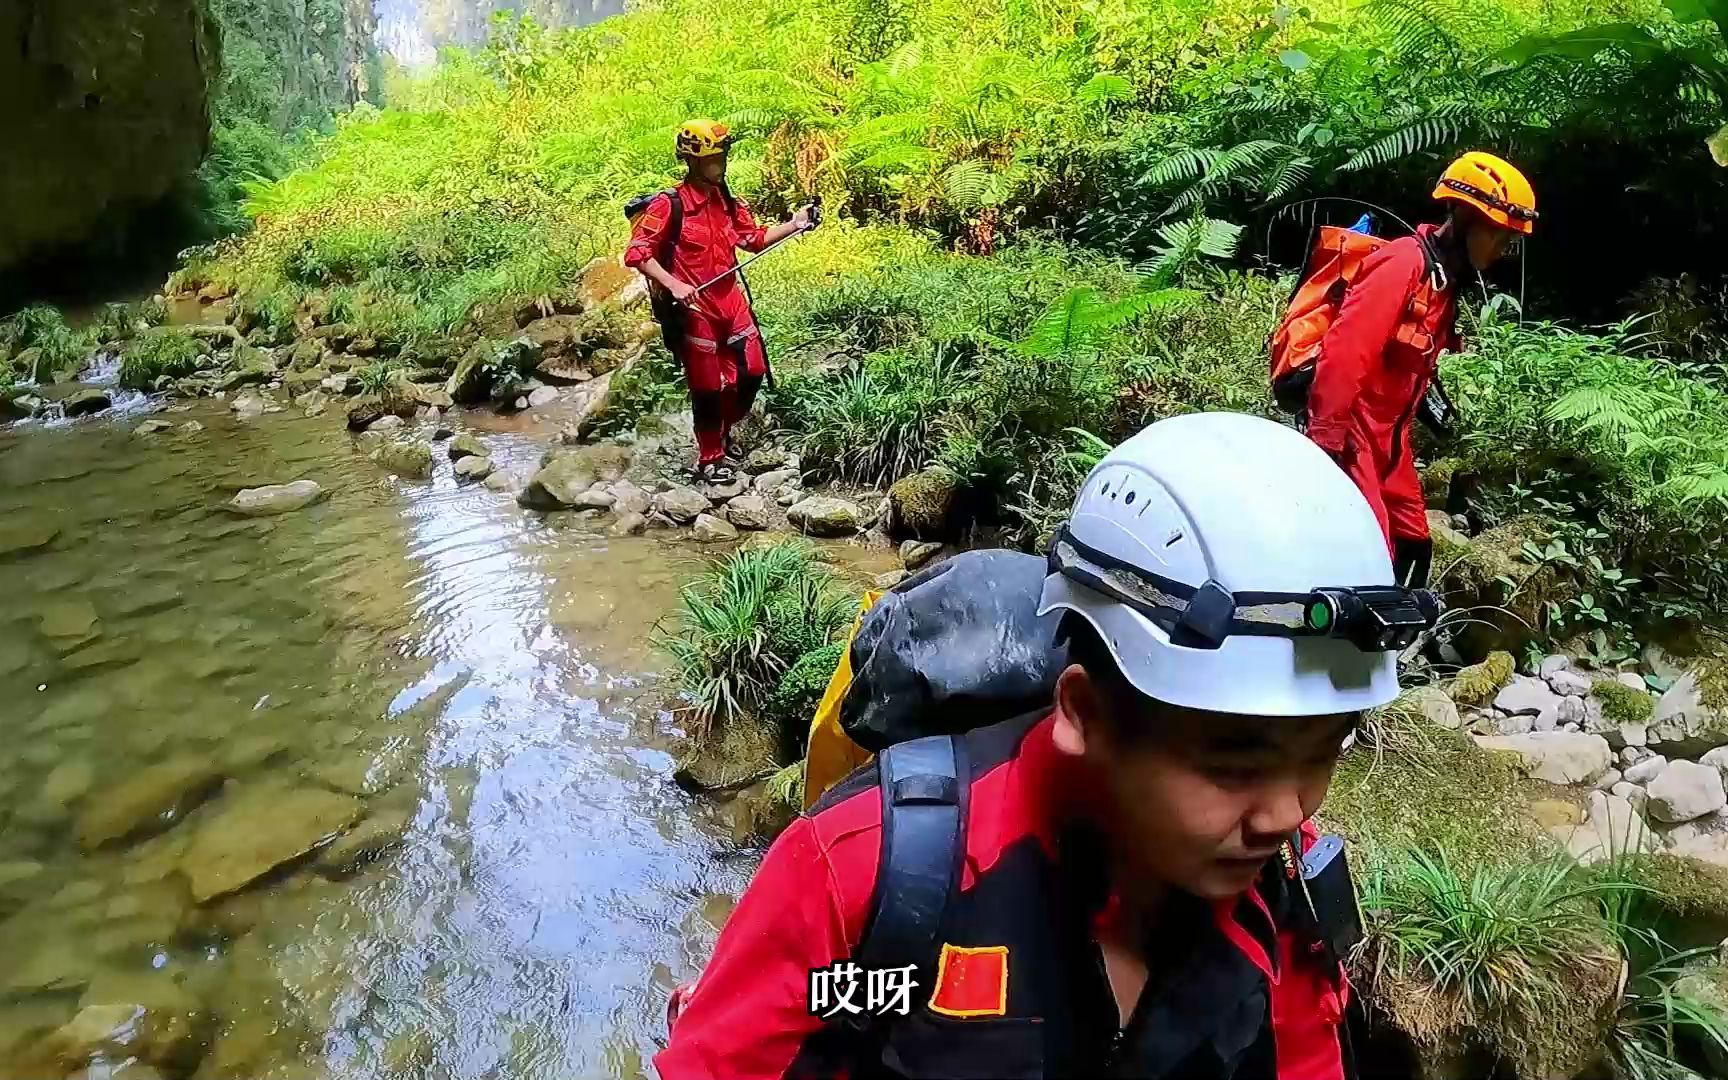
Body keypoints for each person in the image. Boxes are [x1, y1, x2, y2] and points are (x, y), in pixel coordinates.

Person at [657, 412, 1439, 1079]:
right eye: (1233, 760)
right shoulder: (874, 886)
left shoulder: (1285, 897)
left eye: (1322, 751)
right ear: (1085, 713)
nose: (1284, 814)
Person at [1303, 151, 1537, 588]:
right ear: (1466, 218)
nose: (1504, 247)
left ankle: (1391, 648)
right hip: (1353, 435)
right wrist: (1325, 448)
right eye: (1499, 234)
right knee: (1367, 556)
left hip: (1390, 441)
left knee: (1415, 546)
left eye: (1511, 240)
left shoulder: (1444, 281)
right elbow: (1343, 356)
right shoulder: (1402, 264)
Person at [624, 119, 816, 481]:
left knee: (752, 372)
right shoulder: (670, 205)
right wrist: (674, 284)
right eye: (714, 156)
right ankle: (711, 458)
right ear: (694, 161)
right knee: (708, 388)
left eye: (723, 154)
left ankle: (722, 433)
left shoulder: (728, 202)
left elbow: (753, 239)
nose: (721, 162)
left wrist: (795, 224)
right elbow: (636, 254)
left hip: (731, 301)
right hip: (695, 309)